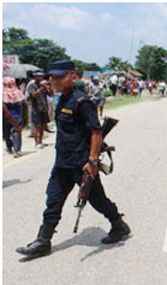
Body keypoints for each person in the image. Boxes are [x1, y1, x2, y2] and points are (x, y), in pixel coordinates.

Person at [16, 60, 131, 258]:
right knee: (53, 201)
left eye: (59, 77)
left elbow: (96, 132)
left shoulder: (82, 102)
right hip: (62, 163)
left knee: (97, 200)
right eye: (52, 77)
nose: (54, 81)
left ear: (73, 76)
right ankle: (43, 241)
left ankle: (119, 225)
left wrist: (93, 161)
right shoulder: (63, 99)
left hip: (81, 164)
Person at [27, 71, 52, 149]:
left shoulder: (44, 85)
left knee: (43, 125)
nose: (40, 78)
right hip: (36, 108)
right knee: (37, 126)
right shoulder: (32, 85)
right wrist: (41, 88)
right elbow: (33, 95)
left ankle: (41, 141)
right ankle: (36, 142)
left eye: (41, 76)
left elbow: (51, 95)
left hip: (44, 107)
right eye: (38, 76)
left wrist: (49, 87)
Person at [3, 77, 26, 157]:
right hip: (16, 115)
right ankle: (17, 150)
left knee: (6, 133)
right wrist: (25, 117)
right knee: (16, 132)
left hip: (5, 117)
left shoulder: (3, 93)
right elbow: (24, 104)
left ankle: (9, 148)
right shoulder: (18, 92)